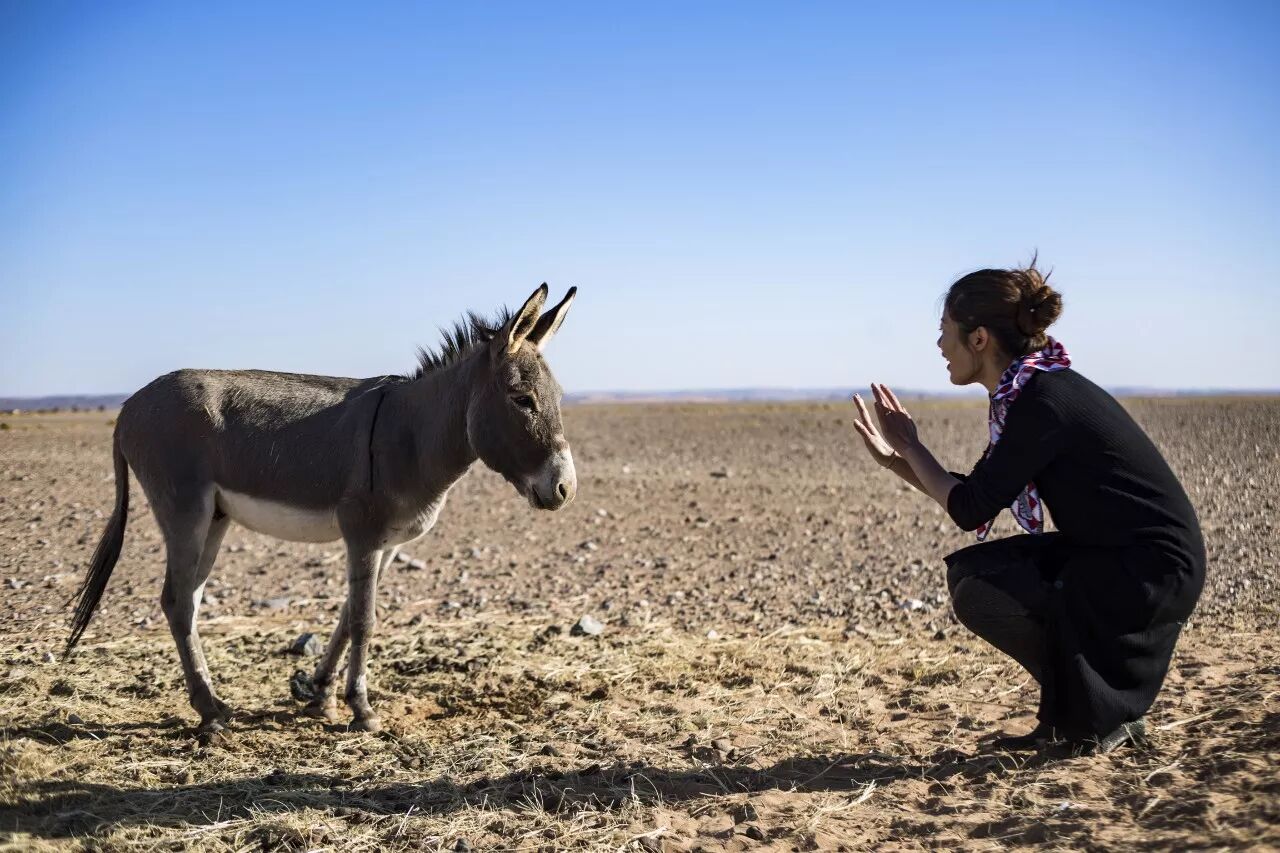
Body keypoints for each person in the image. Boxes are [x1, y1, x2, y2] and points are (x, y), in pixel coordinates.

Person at [852, 262, 1205, 753]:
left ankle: (1094, 715)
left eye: (944, 332)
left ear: (978, 339)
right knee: (977, 572)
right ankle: (1076, 714)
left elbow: (969, 509)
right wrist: (897, 460)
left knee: (982, 588)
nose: (938, 346)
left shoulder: (1043, 401)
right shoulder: (1034, 390)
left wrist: (912, 446)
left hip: (1147, 571)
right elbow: (975, 493)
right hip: (1121, 557)